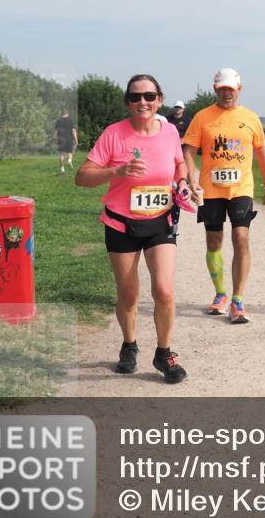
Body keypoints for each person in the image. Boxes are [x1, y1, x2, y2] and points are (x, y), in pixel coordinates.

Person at [75, 74, 191, 384]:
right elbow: (82, 177)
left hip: (160, 221)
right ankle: (129, 344)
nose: (143, 102)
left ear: (160, 100)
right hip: (121, 223)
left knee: (164, 290)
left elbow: (179, 163)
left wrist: (182, 182)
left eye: (149, 96)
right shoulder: (114, 134)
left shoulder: (169, 131)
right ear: (128, 102)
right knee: (128, 295)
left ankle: (164, 352)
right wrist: (118, 171)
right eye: (135, 97)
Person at [182, 68, 265, 324]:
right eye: (222, 89)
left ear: (239, 90)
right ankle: (220, 294)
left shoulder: (251, 118)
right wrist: (191, 180)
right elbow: (189, 150)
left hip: (241, 188)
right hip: (211, 189)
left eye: (231, 89)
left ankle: (238, 299)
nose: (226, 93)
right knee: (214, 242)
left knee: (241, 237)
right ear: (216, 89)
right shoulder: (202, 117)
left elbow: (262, 154)